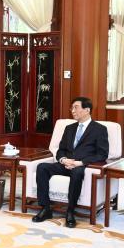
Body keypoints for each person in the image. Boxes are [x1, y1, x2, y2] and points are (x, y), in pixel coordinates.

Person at [32, 96, 110, 228]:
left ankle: (70, 211)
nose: (73, 111)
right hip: (65, 164)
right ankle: (45, 208)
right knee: (42, 167)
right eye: (72, 108)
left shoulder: (99, 129)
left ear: (87, 110)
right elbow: (61, 149)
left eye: (76, 107)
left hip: (82, 166)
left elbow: (102, 154)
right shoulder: (69, 128)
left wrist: (81, 162)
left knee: (77, 173)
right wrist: (63, 160)